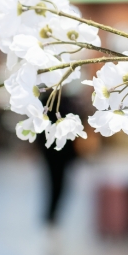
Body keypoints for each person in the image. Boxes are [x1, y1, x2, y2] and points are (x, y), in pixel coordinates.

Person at [38, 90, 82, 227]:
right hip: (51, 153)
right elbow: (39, 128)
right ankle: (50, 216)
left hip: (66, 153)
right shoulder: (45, 102)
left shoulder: (67, 101)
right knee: (54, 184)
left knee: (63, 185)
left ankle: (53, 216)